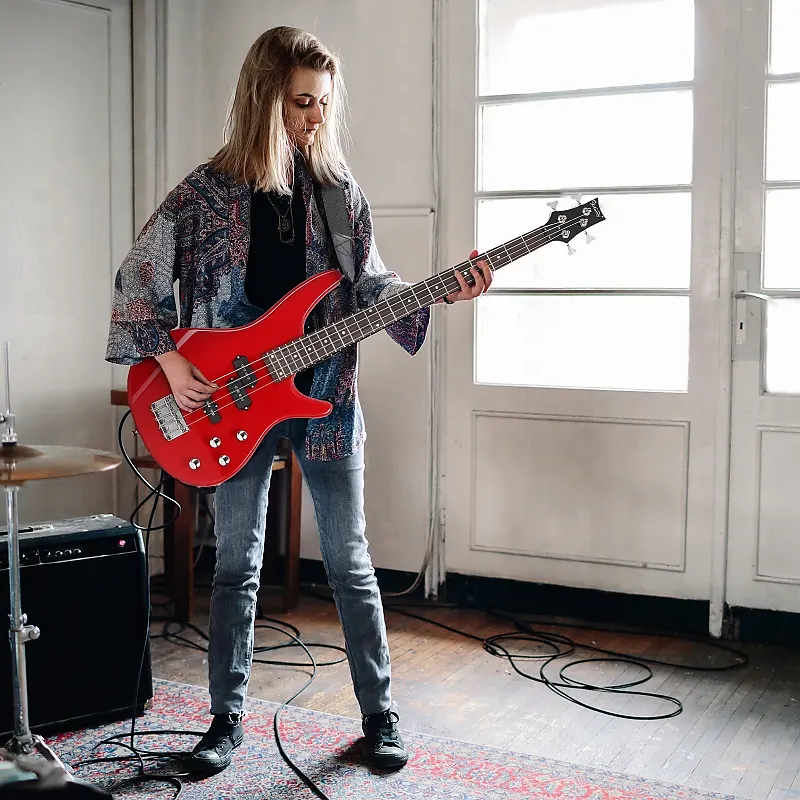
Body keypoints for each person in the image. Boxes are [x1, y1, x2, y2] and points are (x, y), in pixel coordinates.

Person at [105, 26, 491, 776]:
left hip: (326, 395)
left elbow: (373, 285)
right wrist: (171, 361)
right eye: (301, 101)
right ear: (263, 99)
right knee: (235, 566)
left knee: (350, 562)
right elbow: (136, 280)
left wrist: (441, 291)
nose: (317, 117)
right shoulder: (203, 194)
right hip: (229, 403)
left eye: (323, 103)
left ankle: (379, 716)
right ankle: (225, 720)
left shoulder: (340, 194)